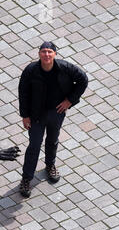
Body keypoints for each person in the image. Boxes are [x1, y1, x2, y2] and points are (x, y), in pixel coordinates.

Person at [18, 41, 88, 197]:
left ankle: (50, 166)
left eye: (50, 52)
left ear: (55, 54)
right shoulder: (31, 70)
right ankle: (26, 179)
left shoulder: (65, 68)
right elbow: (23, 92)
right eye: (43, 52)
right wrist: (25, 115)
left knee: (52, 140)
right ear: (39, 54)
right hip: (36, 115)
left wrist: (70, 100)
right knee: (34, 146)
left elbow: (83, 79)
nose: (46, 55)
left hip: (56, 113)